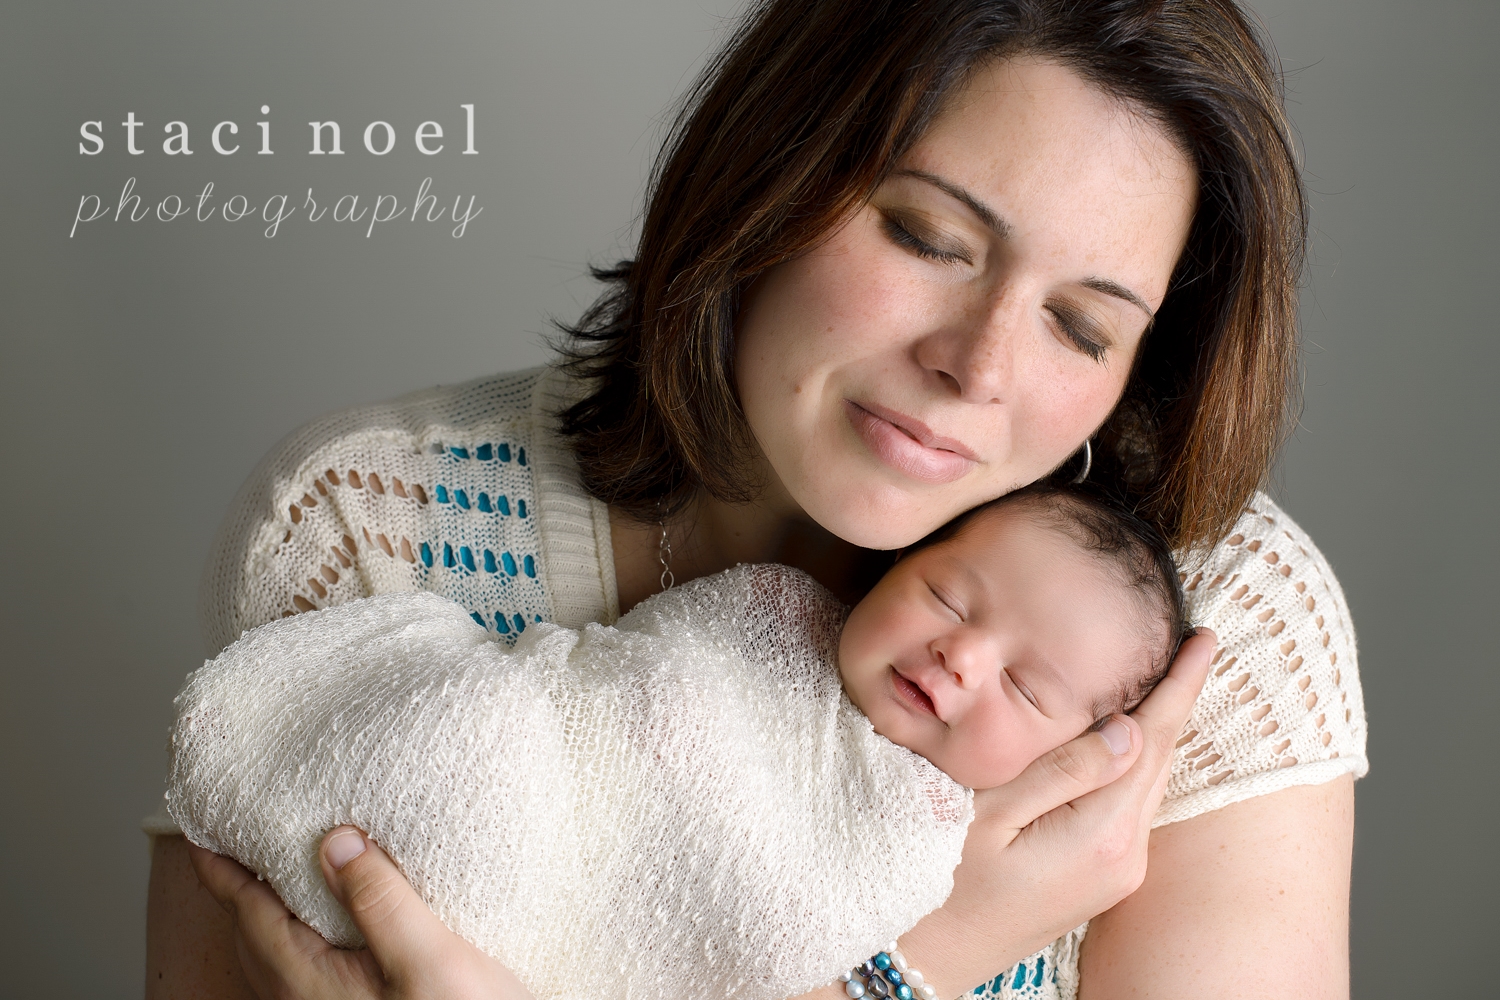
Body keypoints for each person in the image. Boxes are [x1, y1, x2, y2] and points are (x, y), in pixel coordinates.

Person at [144, 1, 1366, 998]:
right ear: (770, 176)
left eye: (1080, 324)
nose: (979, 368)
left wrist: (903, 969)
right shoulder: (371, 527)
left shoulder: (1212, 633)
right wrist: (919, 959)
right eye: (928, 236)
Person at [165, 486, 1193, 1000]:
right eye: (945, 594)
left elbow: (766, 931)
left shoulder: (925, 845)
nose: (961, 655)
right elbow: (615, 679)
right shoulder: (778, 613)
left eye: (1023, 683)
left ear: (1082, 754)